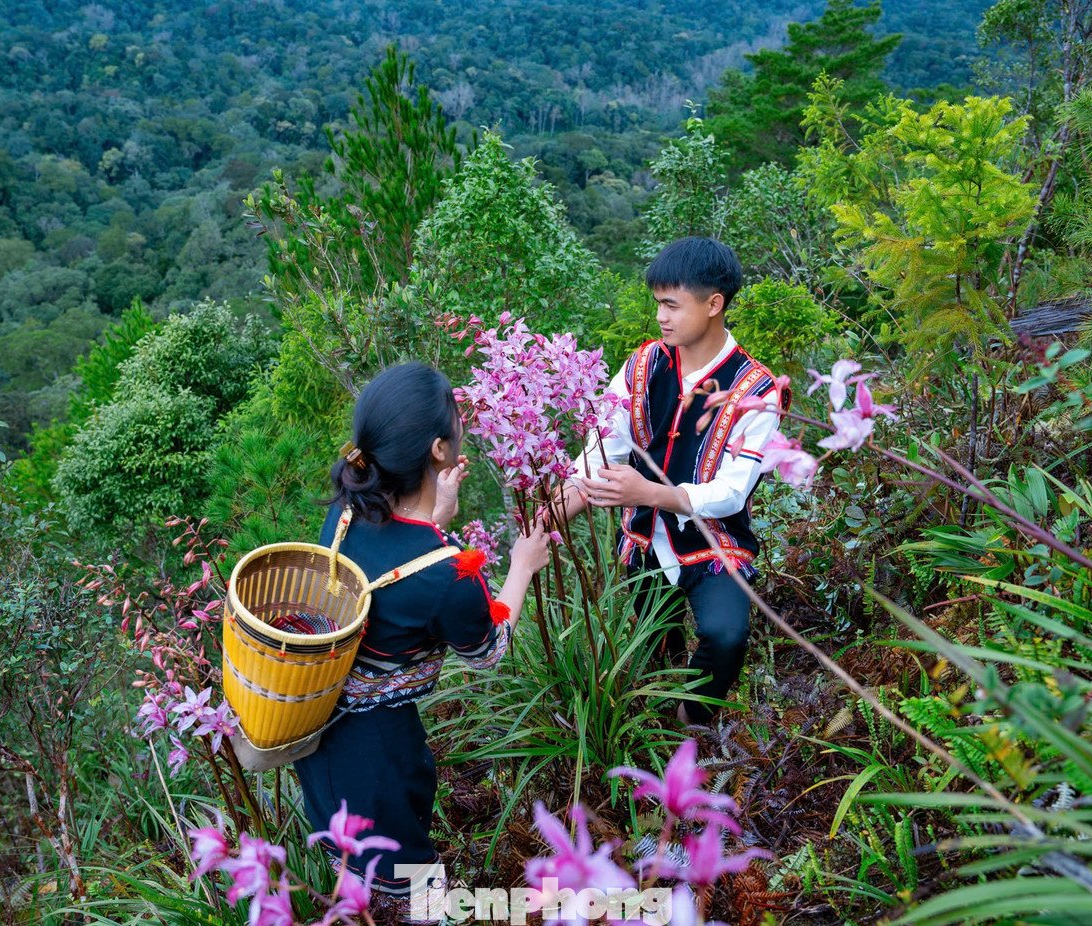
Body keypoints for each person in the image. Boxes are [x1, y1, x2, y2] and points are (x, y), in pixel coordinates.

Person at [293, 362, 550, 903]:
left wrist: (437, 518)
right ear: (438, 449)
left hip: (316, 724)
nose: (463, 421)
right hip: (378, 750)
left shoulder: (347, 509)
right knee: (409, 882)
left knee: (352, 859)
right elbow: (489, 650)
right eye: (456, 415)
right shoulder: (449, 573)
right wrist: (523, 565)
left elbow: (394, 575)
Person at [550, 237, 788, 725]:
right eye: (657, 303)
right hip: (645, 539)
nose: (660, 316)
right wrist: (547, 519)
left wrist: (649, 492)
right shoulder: (642, 366)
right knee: (657, 645)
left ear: (713, 304)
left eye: (672, 305)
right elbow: (602, 450)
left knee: (725, 636)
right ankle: (659, 728)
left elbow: (733, 492)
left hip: (715, 543)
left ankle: (692, 721)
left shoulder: (757, 391)